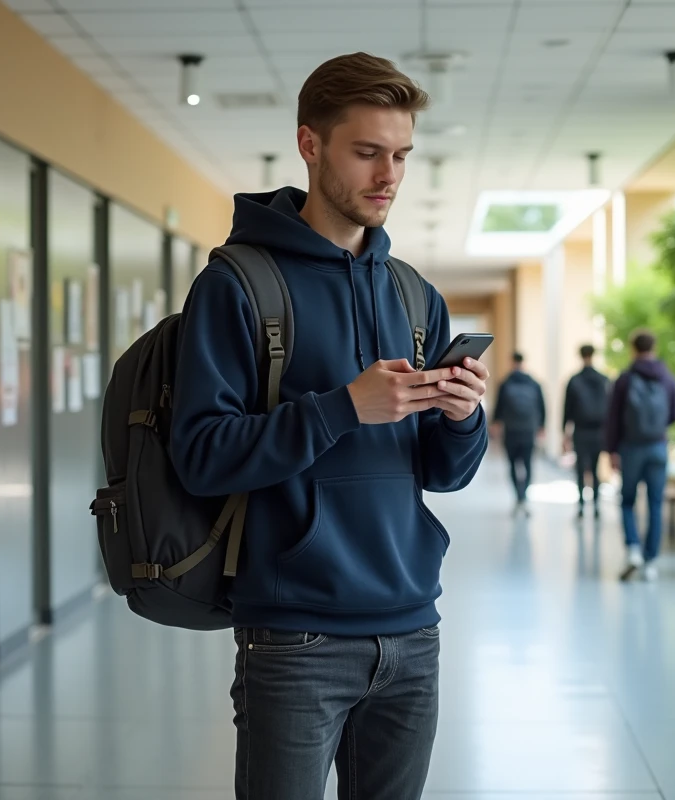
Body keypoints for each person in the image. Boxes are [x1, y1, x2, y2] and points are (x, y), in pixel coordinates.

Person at [169, 52, 490, 800]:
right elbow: (202, 457)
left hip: (413, 629)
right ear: (311, 144)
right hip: (296, 636)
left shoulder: (414, 295)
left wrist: (463, 415)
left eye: (402, 155)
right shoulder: (237, 286)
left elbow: (442, 473)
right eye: (368, 152)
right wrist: (342, 407)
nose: (389, 175)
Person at [605, 330, 675, 582]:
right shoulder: (668, 379)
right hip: (658, 447)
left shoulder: (625, 379)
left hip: (631, 447)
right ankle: (651, 563)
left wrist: (612, 450)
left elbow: (613, 418)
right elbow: (674, 414)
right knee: (656, 503)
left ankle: (633, 550)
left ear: (633, 349)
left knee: (627, 500)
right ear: (654, 347)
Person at [491, 352, 546, 515]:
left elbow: (499, 407)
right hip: (529, 429)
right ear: (524, 363)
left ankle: (518, 497)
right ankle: (524, 497)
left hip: (511, 430)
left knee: (513, 464)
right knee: (528, 464)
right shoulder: (534, 383)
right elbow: (542, 406)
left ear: (511, 362)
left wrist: (495, 424)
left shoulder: (506, 383)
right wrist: (542, 426)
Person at [562, 344, 610, 518]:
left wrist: (565, 433)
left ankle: (582, 505)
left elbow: (567, 409)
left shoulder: (574, 380)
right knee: (596, 470)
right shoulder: (604, 380)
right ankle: (596, 505)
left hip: (580, 430)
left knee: (581, 469)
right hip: (599, 431)